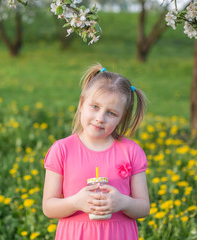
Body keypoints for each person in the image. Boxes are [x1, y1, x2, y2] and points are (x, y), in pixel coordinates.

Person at [42, 64, 150, 239]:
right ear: (81, 104)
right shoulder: (62, 150)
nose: (100, 118)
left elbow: (143, 207)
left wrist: (122, 202)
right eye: (95, 107)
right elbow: (48, 207)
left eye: (112, 113)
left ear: (121, 118)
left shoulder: (131, 151)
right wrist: (76, 202)